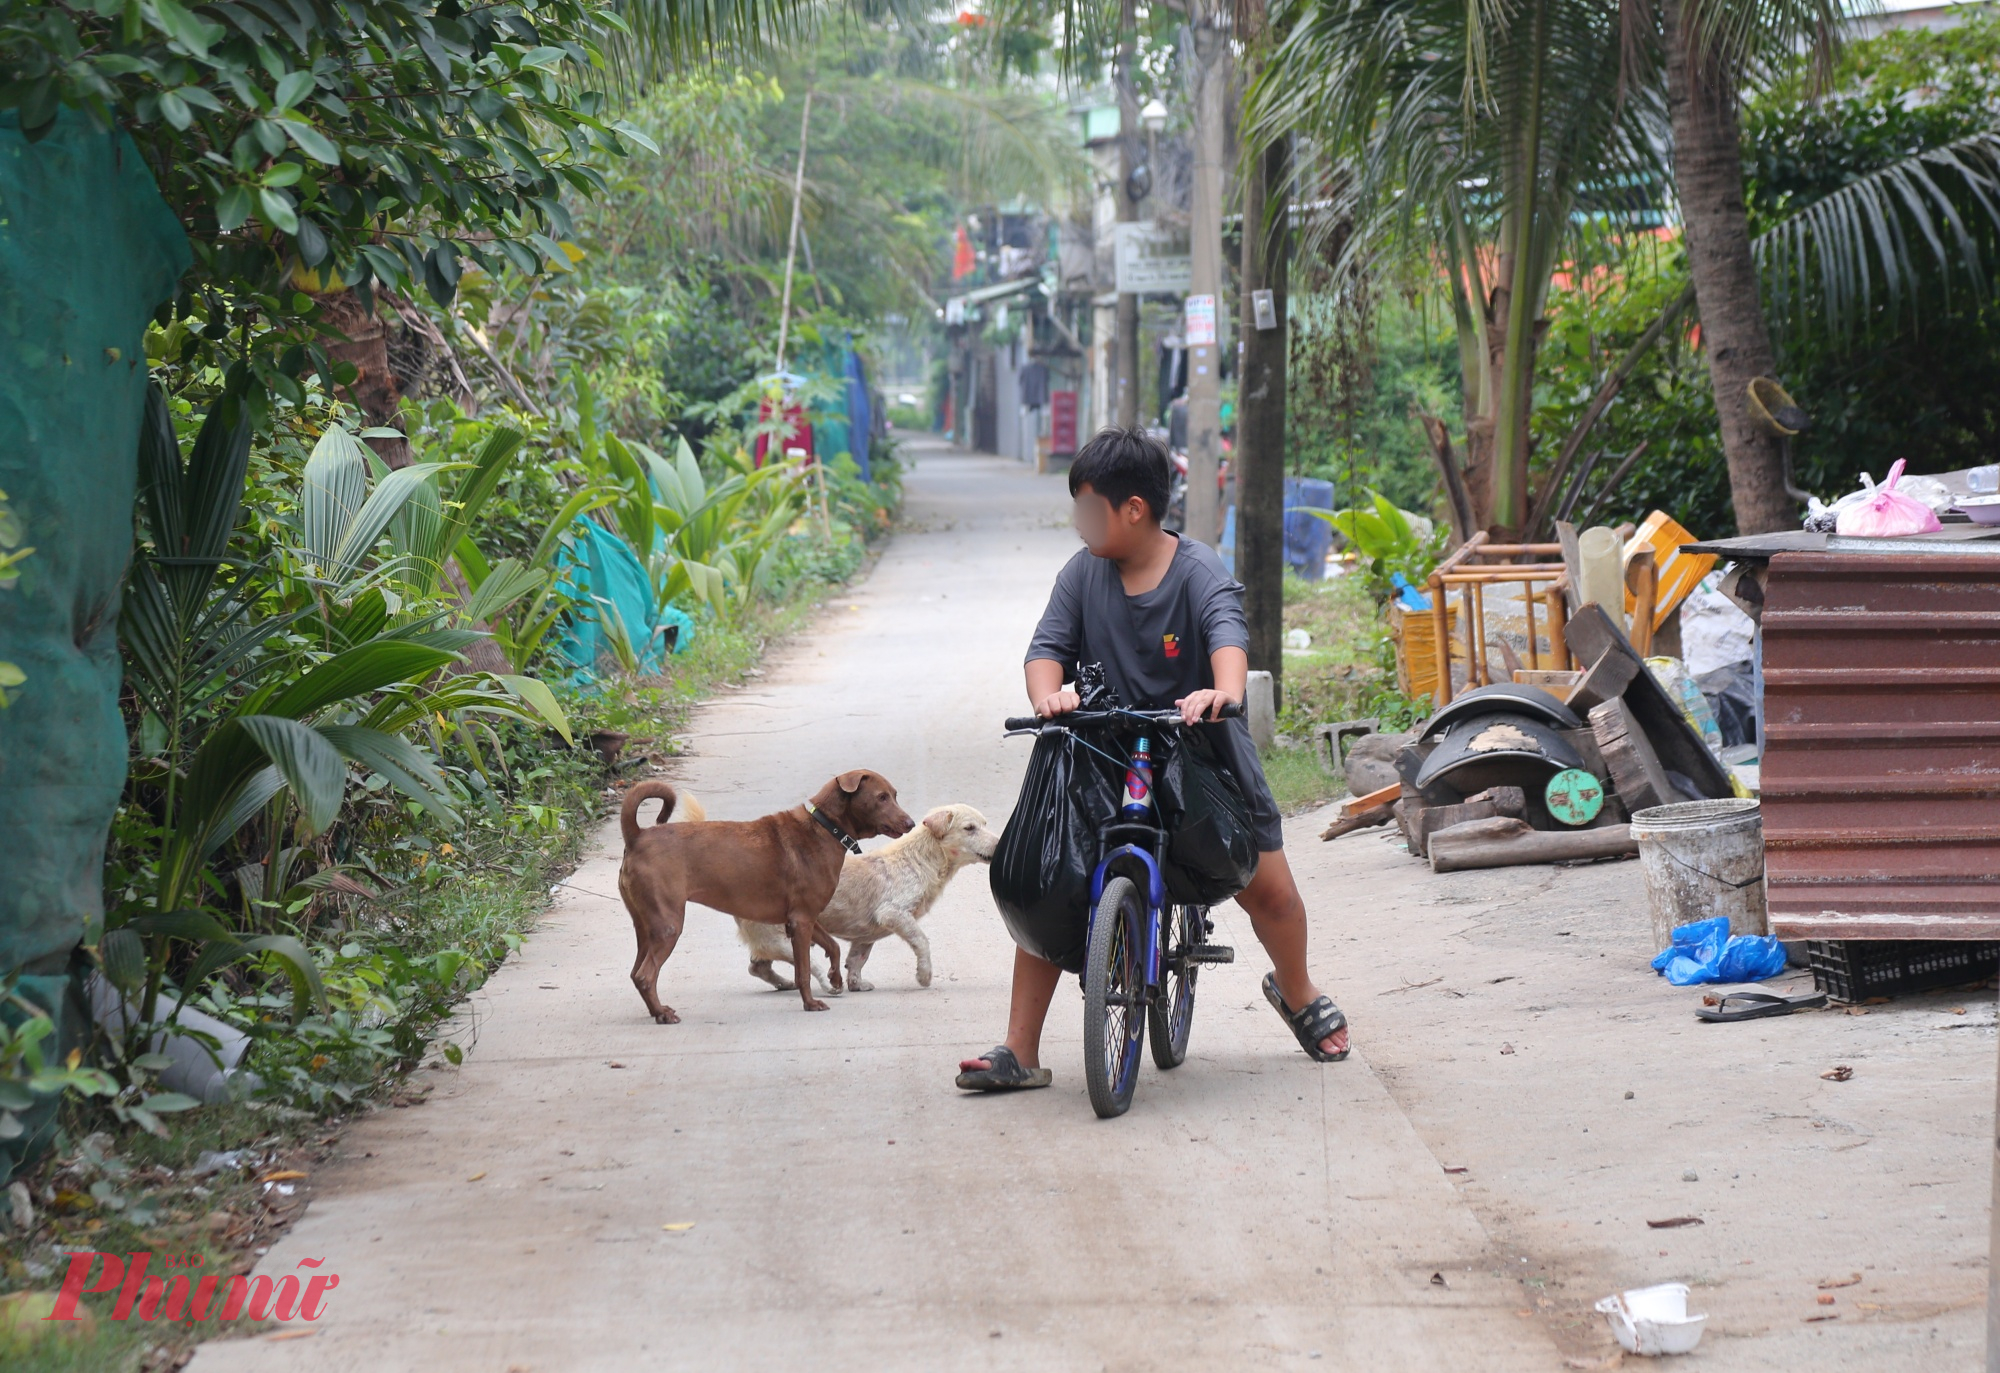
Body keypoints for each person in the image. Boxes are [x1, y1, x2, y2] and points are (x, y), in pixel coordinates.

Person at [956, 427, 1350, 1091]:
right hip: (1104, 750)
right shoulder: (1083, 572)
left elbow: (1228, 638)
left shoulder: (1199, 571)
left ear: (1132, 509)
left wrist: (1222, 693)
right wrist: (1050, 697)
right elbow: (1045, 649)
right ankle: (1018, 1049)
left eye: (1088, 506)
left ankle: (1299, 989)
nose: (1079, 522)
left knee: (1273, 894)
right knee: (1053, 884)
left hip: (1198, 753)